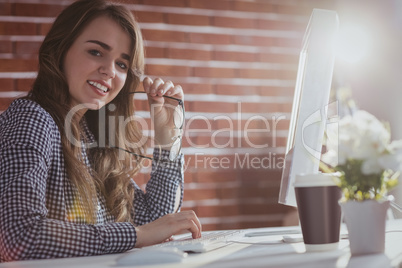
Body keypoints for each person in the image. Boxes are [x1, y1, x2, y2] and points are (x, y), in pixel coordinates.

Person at [0, 0, 201, 262]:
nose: (109, 71)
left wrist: (168, 140)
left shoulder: (89, 137)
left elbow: (156, 222)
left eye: (122, 64)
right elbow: (19, 234)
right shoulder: (33, 118)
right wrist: (136, 235)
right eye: (96, 52)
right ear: (60, 49)